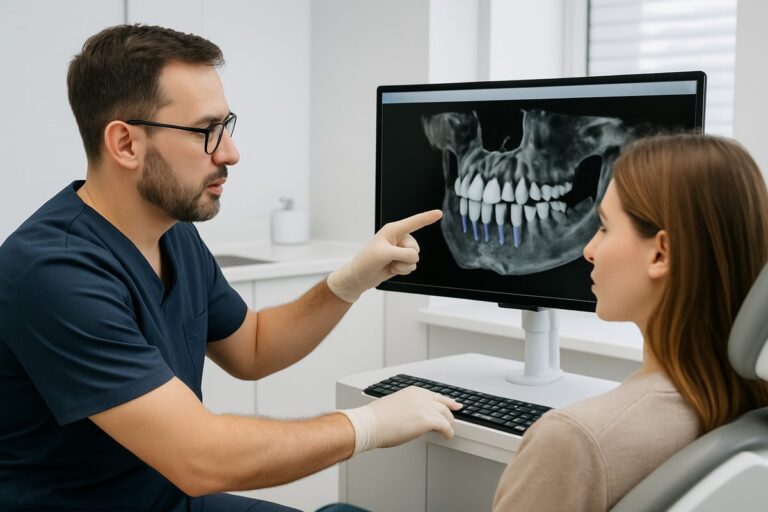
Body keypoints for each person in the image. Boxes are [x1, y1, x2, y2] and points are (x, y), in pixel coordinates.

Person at [0, 24, 462, 512]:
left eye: (227, 126)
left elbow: (254, 348)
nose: (230, 153)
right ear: (126, 144)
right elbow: (202, 460)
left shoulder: (172, 233)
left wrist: (351, 282)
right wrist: (366, 426)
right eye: (206, 132)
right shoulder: (54, 273)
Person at [493, 133, 768, 511]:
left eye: (604, 227)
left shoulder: (573, 441)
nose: (589, 250)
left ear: (661, 253)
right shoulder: (749, 413)